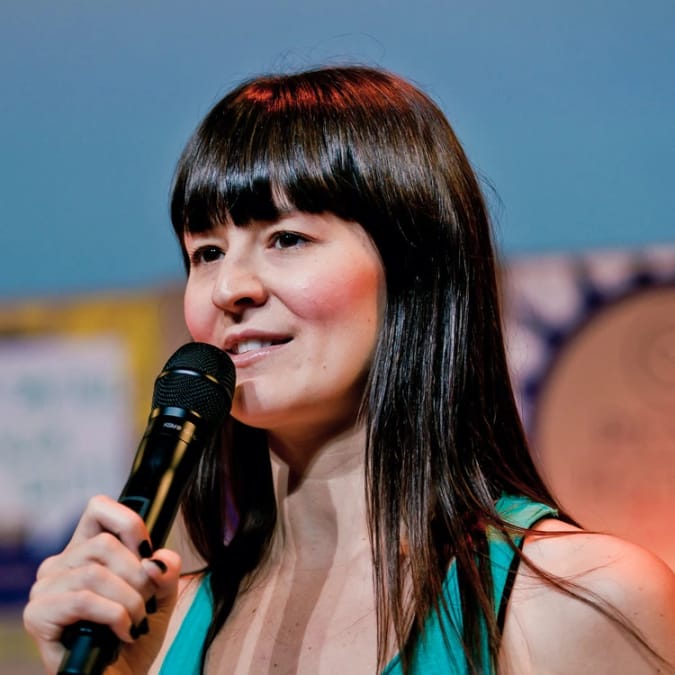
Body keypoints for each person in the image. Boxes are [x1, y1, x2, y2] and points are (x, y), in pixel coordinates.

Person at [23, 65, 675, 674]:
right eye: (207, 252)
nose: (229, 288)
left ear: (414, 270)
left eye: (286, 239)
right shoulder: (155, 633)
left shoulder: (580, 600)